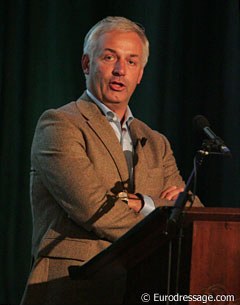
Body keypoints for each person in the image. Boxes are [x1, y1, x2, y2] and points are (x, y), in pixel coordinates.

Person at [21, 16, 203, 305]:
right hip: (73, 285)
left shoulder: (156, 141)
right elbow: (94, 207)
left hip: (144, 286)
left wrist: (143, 203)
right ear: (86, 63)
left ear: (141, 73)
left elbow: (194, 213)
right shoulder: (59, 125)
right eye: (109, 57)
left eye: (131, 62)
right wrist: (162, 220)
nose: (120, 70)